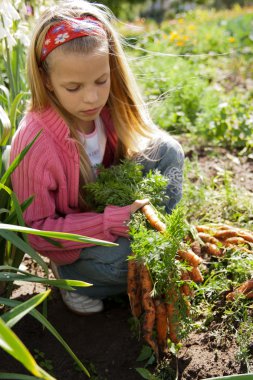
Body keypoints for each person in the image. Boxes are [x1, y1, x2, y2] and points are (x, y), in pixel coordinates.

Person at [10, 0, 184, 315]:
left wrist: (133, 214)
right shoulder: (36, 140)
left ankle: (164, 247)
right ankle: (75, 280)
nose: (91, 97)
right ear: (47, 81)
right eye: (73, 87)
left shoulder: (108, 106)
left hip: (112, 216)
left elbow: (140, 151)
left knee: (168, 150)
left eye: (101, 81)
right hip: (78, 247)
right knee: (127, 260)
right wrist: (114, 220)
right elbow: (40, 232)